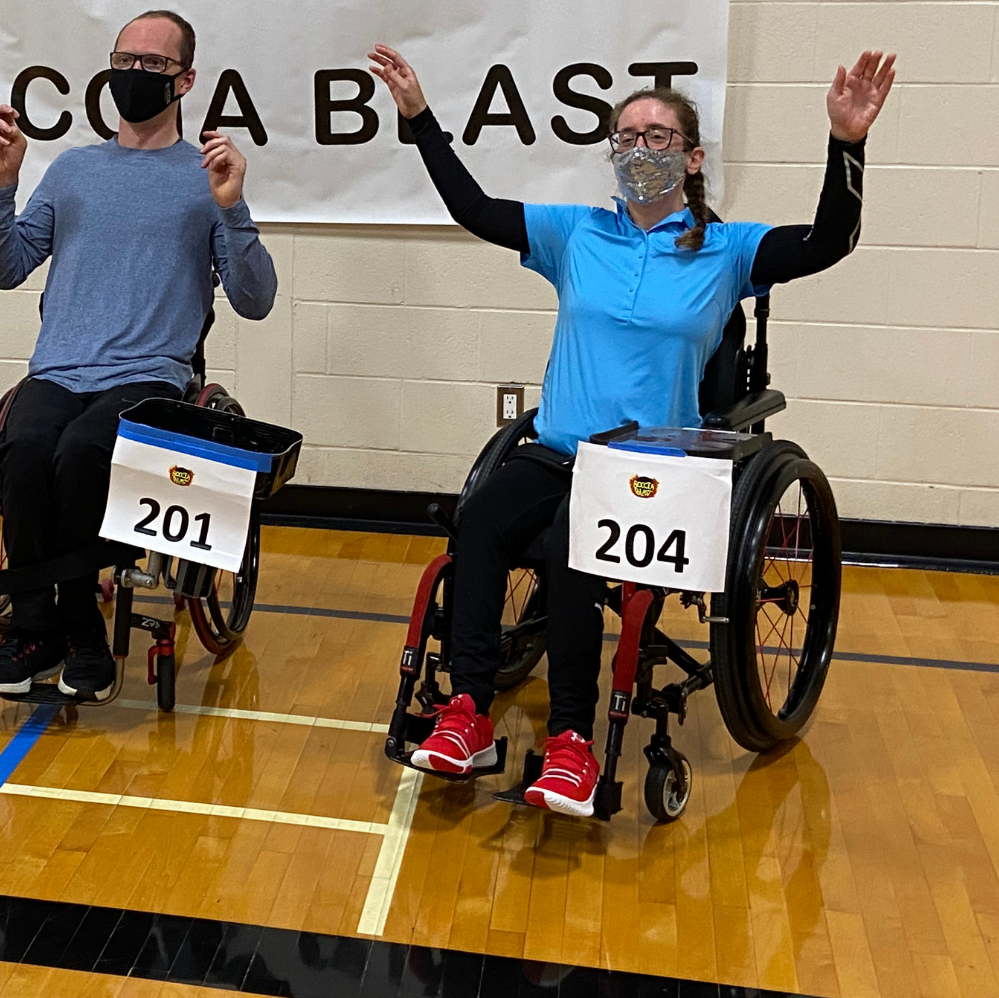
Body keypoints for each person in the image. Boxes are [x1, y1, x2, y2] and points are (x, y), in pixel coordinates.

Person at [369, 42, 894, 816]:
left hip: (649, 467)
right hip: (556, 448)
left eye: (656, 137)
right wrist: (420, 120)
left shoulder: (727, 250)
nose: (639, 149)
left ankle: (573, 745)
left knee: (575, 547)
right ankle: (468, 712)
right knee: (479, 521)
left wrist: (846, 142)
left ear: (690, 157)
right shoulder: (576, 234)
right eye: (626, 137)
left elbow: (829, 242)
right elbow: (474, 209)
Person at [0, 10, 277, 701]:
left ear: (185, 80)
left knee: (83, 450)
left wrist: (232, 207)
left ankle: (79, 627)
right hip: (59, 367)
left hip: (150, 374)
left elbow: (256, 300)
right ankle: (33, 624)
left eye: (152, 66)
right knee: (21, 447)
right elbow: (6, 268)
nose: (133, 76)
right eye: (124, 61)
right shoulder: (75, 170)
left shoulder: (205, 177)